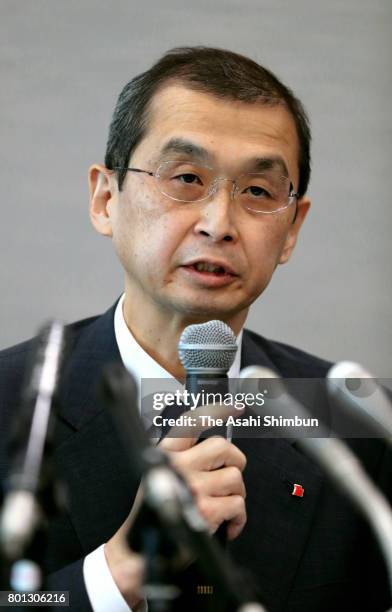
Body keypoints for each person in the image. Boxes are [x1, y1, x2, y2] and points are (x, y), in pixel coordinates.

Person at [0, 46, 391, 612]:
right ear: (106, 198)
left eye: (257, 191)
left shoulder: (351, 427)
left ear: (291, 230)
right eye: (186, 178)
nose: (218, 224)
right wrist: (115, 575)